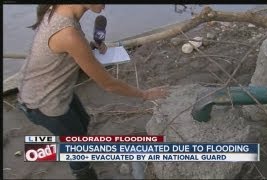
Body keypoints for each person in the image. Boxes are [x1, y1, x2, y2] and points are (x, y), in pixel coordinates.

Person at [17, 4, 168, 179]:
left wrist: (89, 48)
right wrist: (146, 94)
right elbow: (108, 84)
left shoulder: (59, 12)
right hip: (43, 102)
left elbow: (65, 50)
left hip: (55, 89)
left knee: (83, 122)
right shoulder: (67, 33)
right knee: (77, 149)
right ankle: (84, 171)